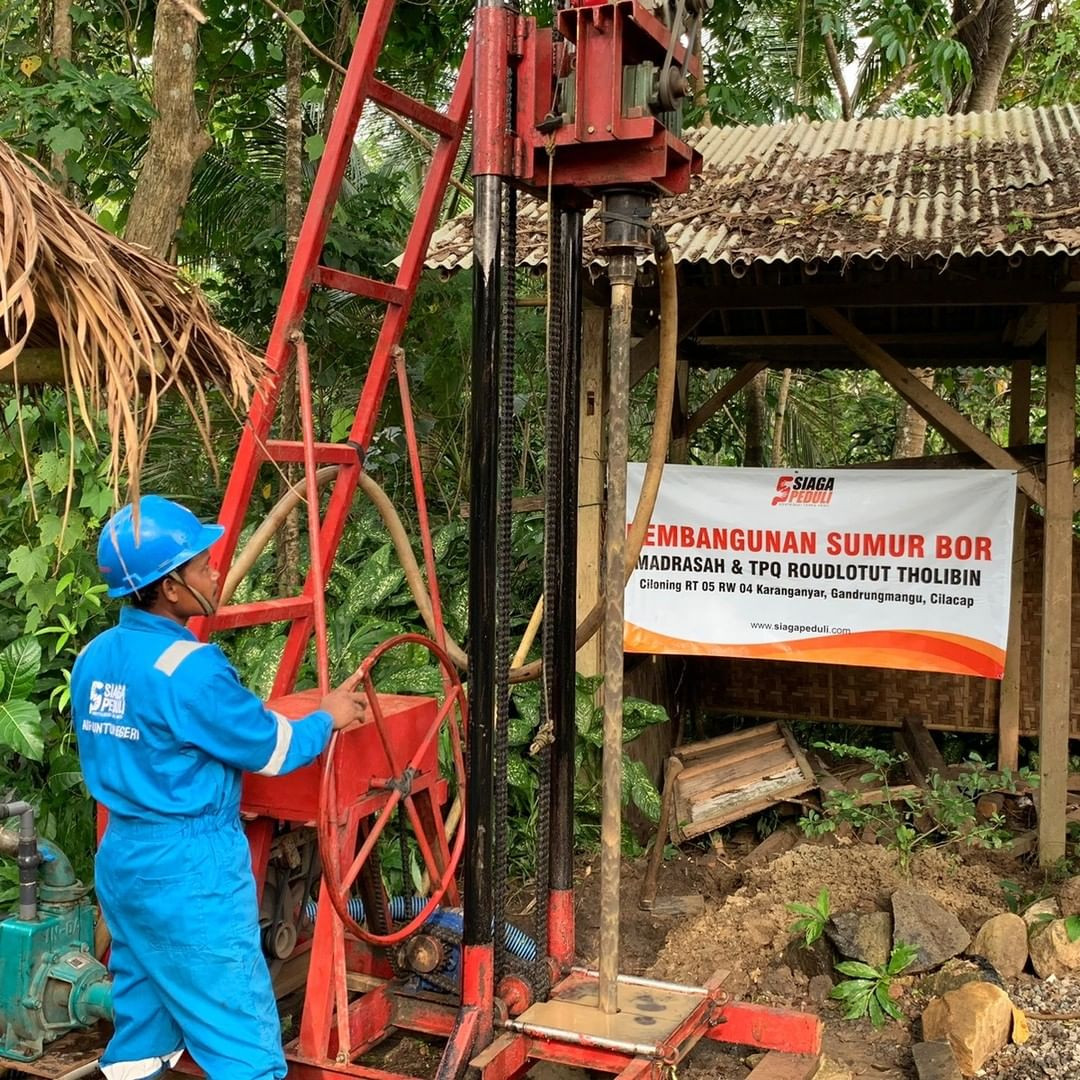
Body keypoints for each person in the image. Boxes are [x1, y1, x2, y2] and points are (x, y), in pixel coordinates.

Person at [72, 495, 367, 1080]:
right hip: (191, 874)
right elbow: (273, 748)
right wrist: (327, 715)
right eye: (202, 565)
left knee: (141, 1034)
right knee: (245, 1052)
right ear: (172, 589)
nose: (215, 572)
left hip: (125, 862)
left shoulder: (93, 658)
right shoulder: (192, 669)